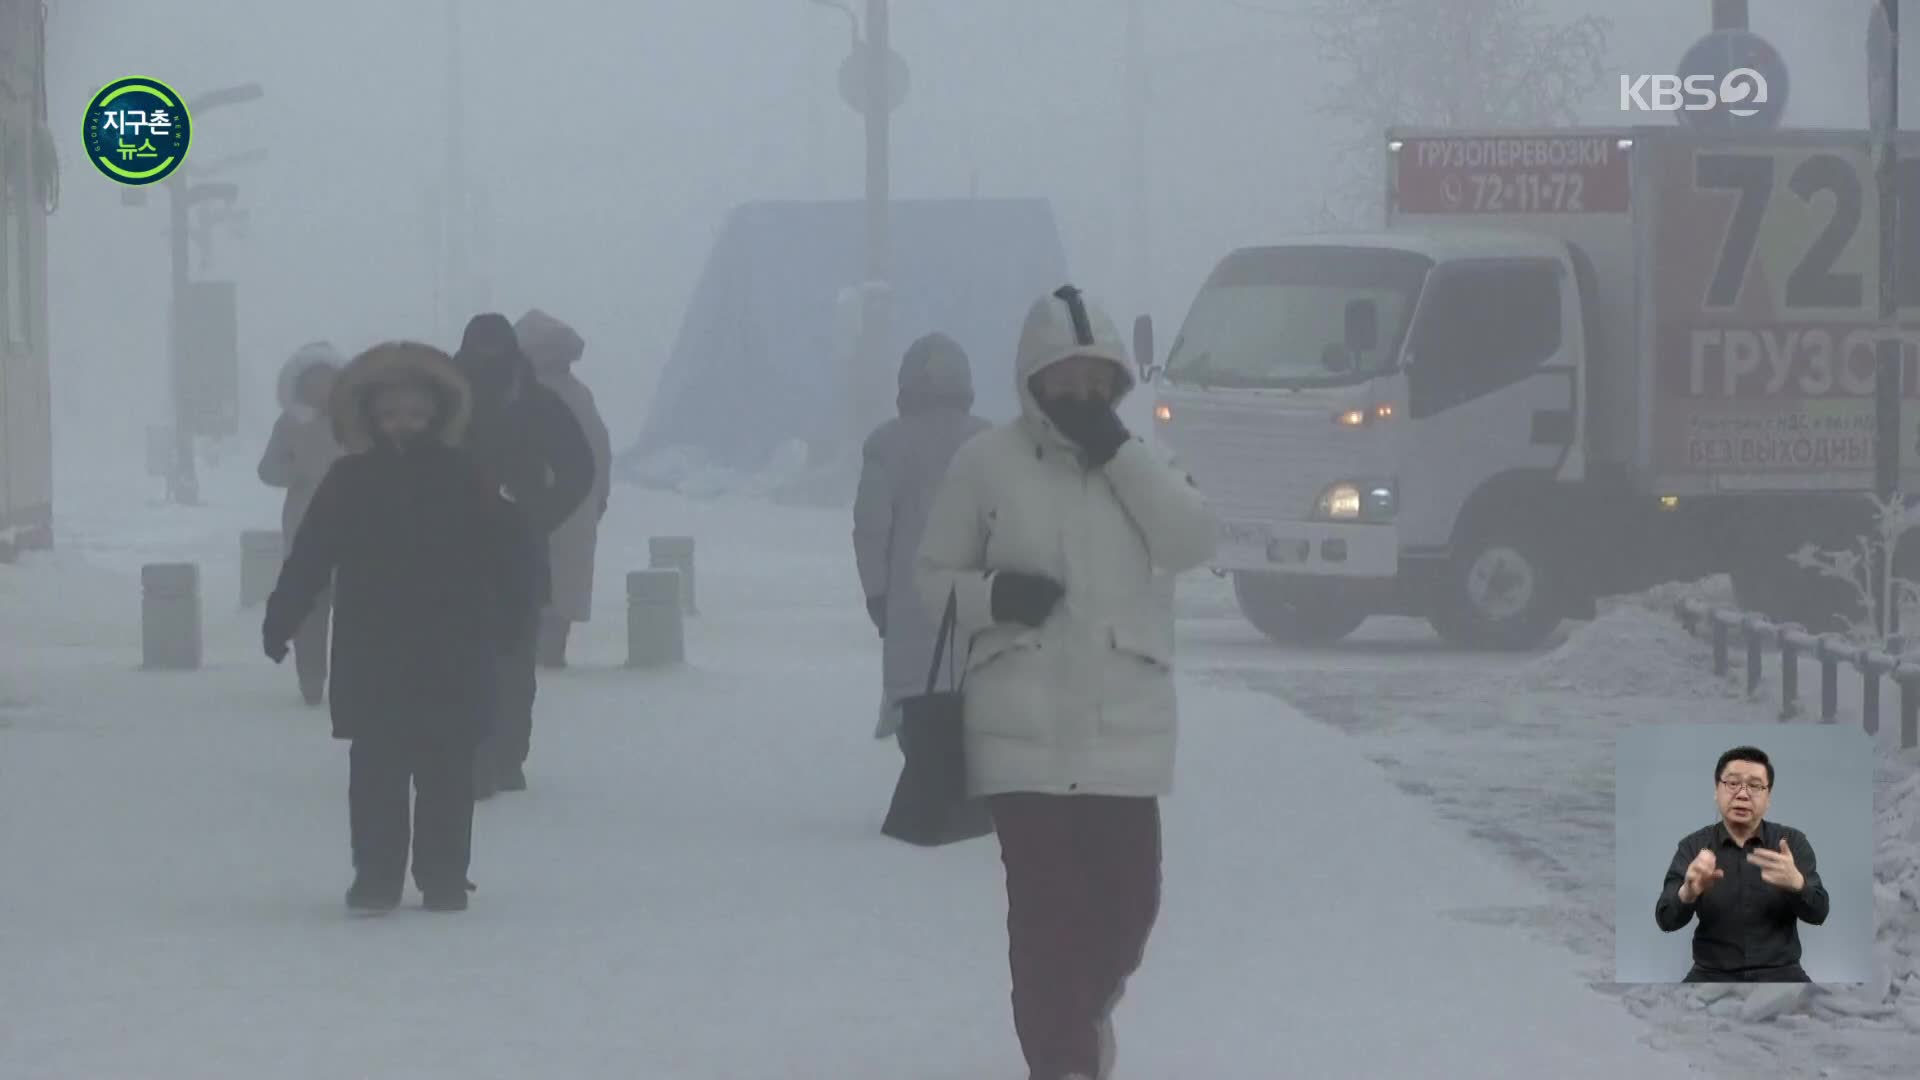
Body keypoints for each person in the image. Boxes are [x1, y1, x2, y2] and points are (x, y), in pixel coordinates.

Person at [914, 285, 1217, 1080]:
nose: (1080, 392)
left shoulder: (1141, 458)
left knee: (1128, 909)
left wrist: (1117, 453)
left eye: (1096, 376)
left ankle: (1083, 1016)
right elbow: (929, 577)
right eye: (1063, 376)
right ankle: (1064, 1063)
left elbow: (1190, 542)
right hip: (1020, 730)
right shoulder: (986, 463)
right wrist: (993, 598)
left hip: (1126, 726)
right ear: (1031, 379)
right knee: (1046, 921)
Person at [261, 342, 535, 914]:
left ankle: (443, 876)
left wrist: (515, 617)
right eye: (389, 414)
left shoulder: (467, 478)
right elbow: (312, 555)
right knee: (376, 771)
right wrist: (283, 615)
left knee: (448, 771)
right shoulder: (350, 481)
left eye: (413, 413)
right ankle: (377, 875)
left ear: (437, 414)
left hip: (452, 647)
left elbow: (509, 553)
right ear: (367, 418)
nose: (402, 425)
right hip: (374, 649)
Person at [452, 313, 596, 798]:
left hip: (517, 549)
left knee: (511, 659)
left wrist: (538, 514)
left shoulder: (538, 406)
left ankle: (506, 754)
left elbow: (579, 467)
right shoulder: (441, 404)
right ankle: (476, 753)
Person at [852, 333, 992, 748]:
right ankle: (970, 807)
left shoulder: (887, 446)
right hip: (979, 610)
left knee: (921, 728)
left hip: (911, 608)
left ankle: (926, 802)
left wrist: (877, 595)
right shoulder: (991, 444)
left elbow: (871, 531)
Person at [1655, 745, 1830, 982]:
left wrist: (1798, 884)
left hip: (1782, 973)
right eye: (1732, 783)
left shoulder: (1792, 843)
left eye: (1755, 786)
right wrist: (1687, 893)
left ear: (1768, 797)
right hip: (1710, 974)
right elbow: (1665, 920)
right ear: (1717, 790)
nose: (1742, 794)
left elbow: (1819, 913)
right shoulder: (1693, 846)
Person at [514, 309, 613, 670]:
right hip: (529, 503)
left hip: (575, 504)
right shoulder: (517, 393)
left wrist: (599, 494)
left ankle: (552, 655)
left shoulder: (576, 393)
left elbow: (597, 448)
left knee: (564, 587)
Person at [257, 341, 345, 706]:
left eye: (329, 380)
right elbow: (267, 469)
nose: (322, 388)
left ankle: (354, 677)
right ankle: (311, 678)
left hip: (356, 531)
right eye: (314, 381)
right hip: (305, 530)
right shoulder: (290, 424)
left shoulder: (358, 420)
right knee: (310, 609)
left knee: (356, 611)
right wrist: (297, 472)